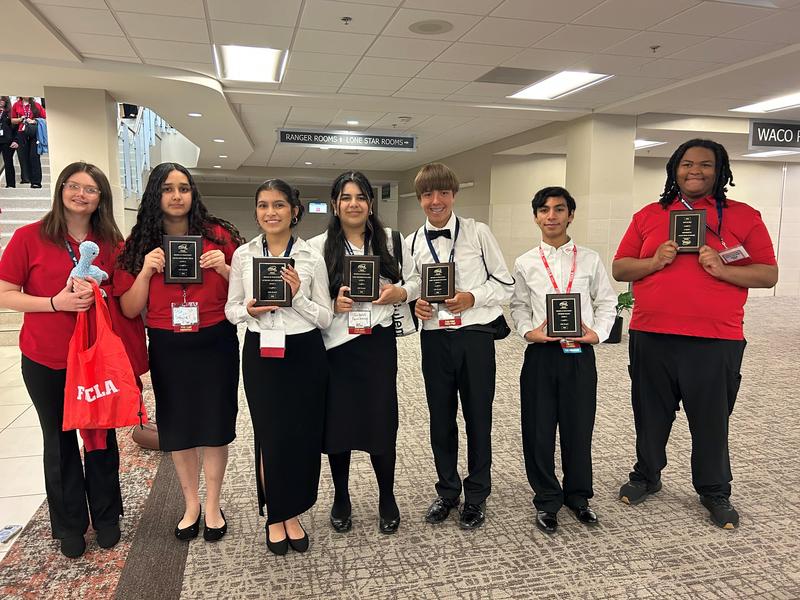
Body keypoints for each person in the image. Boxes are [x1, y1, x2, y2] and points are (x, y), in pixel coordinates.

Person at [613, 139, 778, 529]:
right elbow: (621, 268)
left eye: (705, 165)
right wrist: (654, 262)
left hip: (715, 337)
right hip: (651, 333)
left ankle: (714, 490)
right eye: (687, 164)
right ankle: (647, 476)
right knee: (650, 415)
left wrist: (722, 270)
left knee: (710, 419)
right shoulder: (649, 215)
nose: (695, 171)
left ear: (720, 172)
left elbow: (768, 274)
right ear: (675, 168)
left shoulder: (743, 216)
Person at [0, 162, 141, 558]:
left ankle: (108, 517)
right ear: (61, 189)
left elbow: (121, 291)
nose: (82, 194)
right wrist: (53, 303)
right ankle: (69, 525)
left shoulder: (112, 240)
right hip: (46, 358)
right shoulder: (30, 237)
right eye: (74, 186)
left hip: (95, 359)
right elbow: (5, 292)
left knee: (99, 435)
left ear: (102, 198)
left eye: (91, 189)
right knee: (58, 440)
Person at [116, 162, 243, 542]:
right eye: (168, 189)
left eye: (183, 188)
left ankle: (214, 504)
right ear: (155, 195)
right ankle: (191, 504)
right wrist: (145, 273)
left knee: (215, 425)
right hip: (169, 345)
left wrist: (225, 268)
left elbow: (246, 292)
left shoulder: (218, 235)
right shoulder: (138, 243)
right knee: (180, 427)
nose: (176, 196)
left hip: (215, 340)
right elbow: (128, 308)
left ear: (193, 194)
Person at [308, 171, 419, 535]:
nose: (353, 204)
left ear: (370, 203)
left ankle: (387, 496)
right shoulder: (317, 245)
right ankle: (342, 496)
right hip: (335, 347)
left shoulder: (392, 240)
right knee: (337, 425)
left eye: (360, 197)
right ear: (335, 204)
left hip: (377, 344)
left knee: (380, 421)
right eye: (345, 197)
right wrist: (331, 302)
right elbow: (307, 298)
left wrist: (399, 293)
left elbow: (416, 279)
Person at [225, 179, 332, 555]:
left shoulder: (310, 257)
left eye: (279, 205)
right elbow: (231, 309)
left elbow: (325, 317)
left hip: (304, 352)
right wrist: (250, 310)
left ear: (295, 211)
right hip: (262, 353)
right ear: (256, 212)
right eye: (263, 205)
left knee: (301, 435)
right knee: (270, 435)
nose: (271, 212)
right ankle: (275, 515)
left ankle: (293, 513)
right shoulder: (243, 255)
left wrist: (298, 295)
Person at [407, 162, 514, 530]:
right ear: (420, 198)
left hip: (474, 337)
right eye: (427, 194)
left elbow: (506, 283)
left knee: (477, 416)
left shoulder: (478, 233)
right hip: (434, 338)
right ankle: (448, 491)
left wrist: (472, 297)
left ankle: (478, 494)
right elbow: (410, 288)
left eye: (443, 193)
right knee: (440, 418)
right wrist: (414, 304)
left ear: (454, 195)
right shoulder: (412, 243)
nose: (435, 201)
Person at [510, 186, 616, 534]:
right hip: (541, 354)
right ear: (536, 216)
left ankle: (579, 497)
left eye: (558, 209)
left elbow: (607, 301)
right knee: (539, 430)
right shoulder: (526, 262)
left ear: (571, 215)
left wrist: (597, 333)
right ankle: (546, 499)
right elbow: (519, 306)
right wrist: (529, 332)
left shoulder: (589, 259)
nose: (551, 216)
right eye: (544, 210)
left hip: (579, 354)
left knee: (578, 427)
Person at [10, 96, 45, 188]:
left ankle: (36, 181)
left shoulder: (37, 105)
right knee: (23, 157)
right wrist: (21, 119)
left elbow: (45, 119)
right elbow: (12, 120)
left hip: (34, 133)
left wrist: (34, 121)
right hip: (22, 133)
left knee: (34, 157)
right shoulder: (16, 105)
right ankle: (26, 178)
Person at [0, 96, 16, 188]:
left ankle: (10, 184)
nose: (1, 102)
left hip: (7, 141)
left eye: (3, 100)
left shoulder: (10, 113)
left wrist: (15, 140)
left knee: (8, 162)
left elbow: (15, 129)